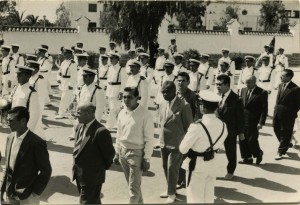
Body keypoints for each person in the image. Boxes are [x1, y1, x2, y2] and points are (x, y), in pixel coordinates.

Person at [179, 90, 228, 203]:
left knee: (194, 200)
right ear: (216, 108)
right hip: (212, 164)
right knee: (208, 199)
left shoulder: (197, 126)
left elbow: (183, 149)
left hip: (196, 166)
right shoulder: (223, 125)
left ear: (202, 107)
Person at [1, 106, 52, 205]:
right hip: (10, 192)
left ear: (23, 121)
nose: (8, 123)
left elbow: (46, 170)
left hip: (27, 196)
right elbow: (8, 168)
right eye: (7, 120)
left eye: (11, 121)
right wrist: (2, 189)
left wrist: (35, 192)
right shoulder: (9, 138)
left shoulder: (37, 143)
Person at [114, 87, 154, 204]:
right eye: (124, 97)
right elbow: (119, 134)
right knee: (133, 186)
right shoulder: (122, 112)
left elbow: (149, 139)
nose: (126, 100)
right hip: (122, 152)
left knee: (133, 189)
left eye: (130, 97)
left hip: (136, 154)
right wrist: (117, 152)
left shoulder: (145, 115)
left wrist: (147, 158)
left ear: (137, 98)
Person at [73, 102, 115, 204]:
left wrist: (98, 170)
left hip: (92, 177)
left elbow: (109, 154)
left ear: (89, 113)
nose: (76, 115)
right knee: (94, 202)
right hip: (79, 175)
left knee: (86, 202)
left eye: (78, 113)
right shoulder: (79, 126)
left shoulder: (100, 131)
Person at [158, 81, 193, 203]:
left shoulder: (184, 105)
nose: (164, 94)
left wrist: (187, 144)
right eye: (163, 92)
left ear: (174, 91)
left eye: (167, 92)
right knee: (164, 167)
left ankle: (172, 194)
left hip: (177, 143)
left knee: (172, 168)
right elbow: (161, 122)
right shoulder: (162, 103)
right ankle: (170, 189)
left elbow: (189, 126)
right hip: (163, 142)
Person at [216, 74, 244, 180]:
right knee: (212, 151)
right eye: (216, 84)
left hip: (230, 131)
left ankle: (230, 171)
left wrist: (241, 133)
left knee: (230, 152)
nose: (217, 86)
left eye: (220, 84)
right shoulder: (217, 96)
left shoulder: (237, 99)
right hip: (216, 130)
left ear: (227, 85)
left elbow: (241, 118)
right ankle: (210, 171)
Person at [239, 75, 268, 165]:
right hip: (242, 119)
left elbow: (264, 108)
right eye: (245, 82)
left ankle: (258, 153)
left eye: (248, 82)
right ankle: (247, 158)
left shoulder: (262, 92)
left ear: (254, 82)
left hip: (253, 120)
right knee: (242, 139)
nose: (246, 84)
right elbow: (240, 104)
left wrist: (261, 122)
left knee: (252, 140)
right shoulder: (243, 90)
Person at [273, 69, 300, 160]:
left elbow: (298, 104)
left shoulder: (295, 88)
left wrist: (291, 112)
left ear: (289, 77)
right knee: (276, 129)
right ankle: (287, 143)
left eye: (283, 76)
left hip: (288, 114)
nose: (281, 77)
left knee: (286, 132)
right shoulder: (281, 85)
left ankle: (280, 151)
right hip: (277, 112)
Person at [11, 65, 41, 136]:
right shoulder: (16, 88)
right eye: (17, 74)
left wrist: (27, 132)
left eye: (20, 75)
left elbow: (35, 115)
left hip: (23, 127)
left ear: (28, 76)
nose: (17, 76)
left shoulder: (31, 92)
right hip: (14, 124)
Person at [106, 52, 127, 130]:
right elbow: (108, 80)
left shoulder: (121, 69)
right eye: (110, 58)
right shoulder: (110, 68)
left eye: (112, 58)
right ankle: (116, 124)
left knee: (114, 109)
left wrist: (121, 92)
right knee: (113, 109)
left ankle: (109, 126)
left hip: (116, 90)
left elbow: (124, 82)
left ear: (117, 59)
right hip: (110, 90)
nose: (110, 60)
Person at [56, 47, 77, 119]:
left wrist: (71, 84)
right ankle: (64, 112)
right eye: (64, 53)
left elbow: (74, 75)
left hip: (68, 83)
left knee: (64, 99)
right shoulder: (63, 62)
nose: (65, 55)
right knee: (65, 98)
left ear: (70, 54)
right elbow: (60, 72)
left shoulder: (73, 63)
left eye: (67, 54)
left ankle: (62, 114)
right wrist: (58, 79)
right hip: (63, 82)